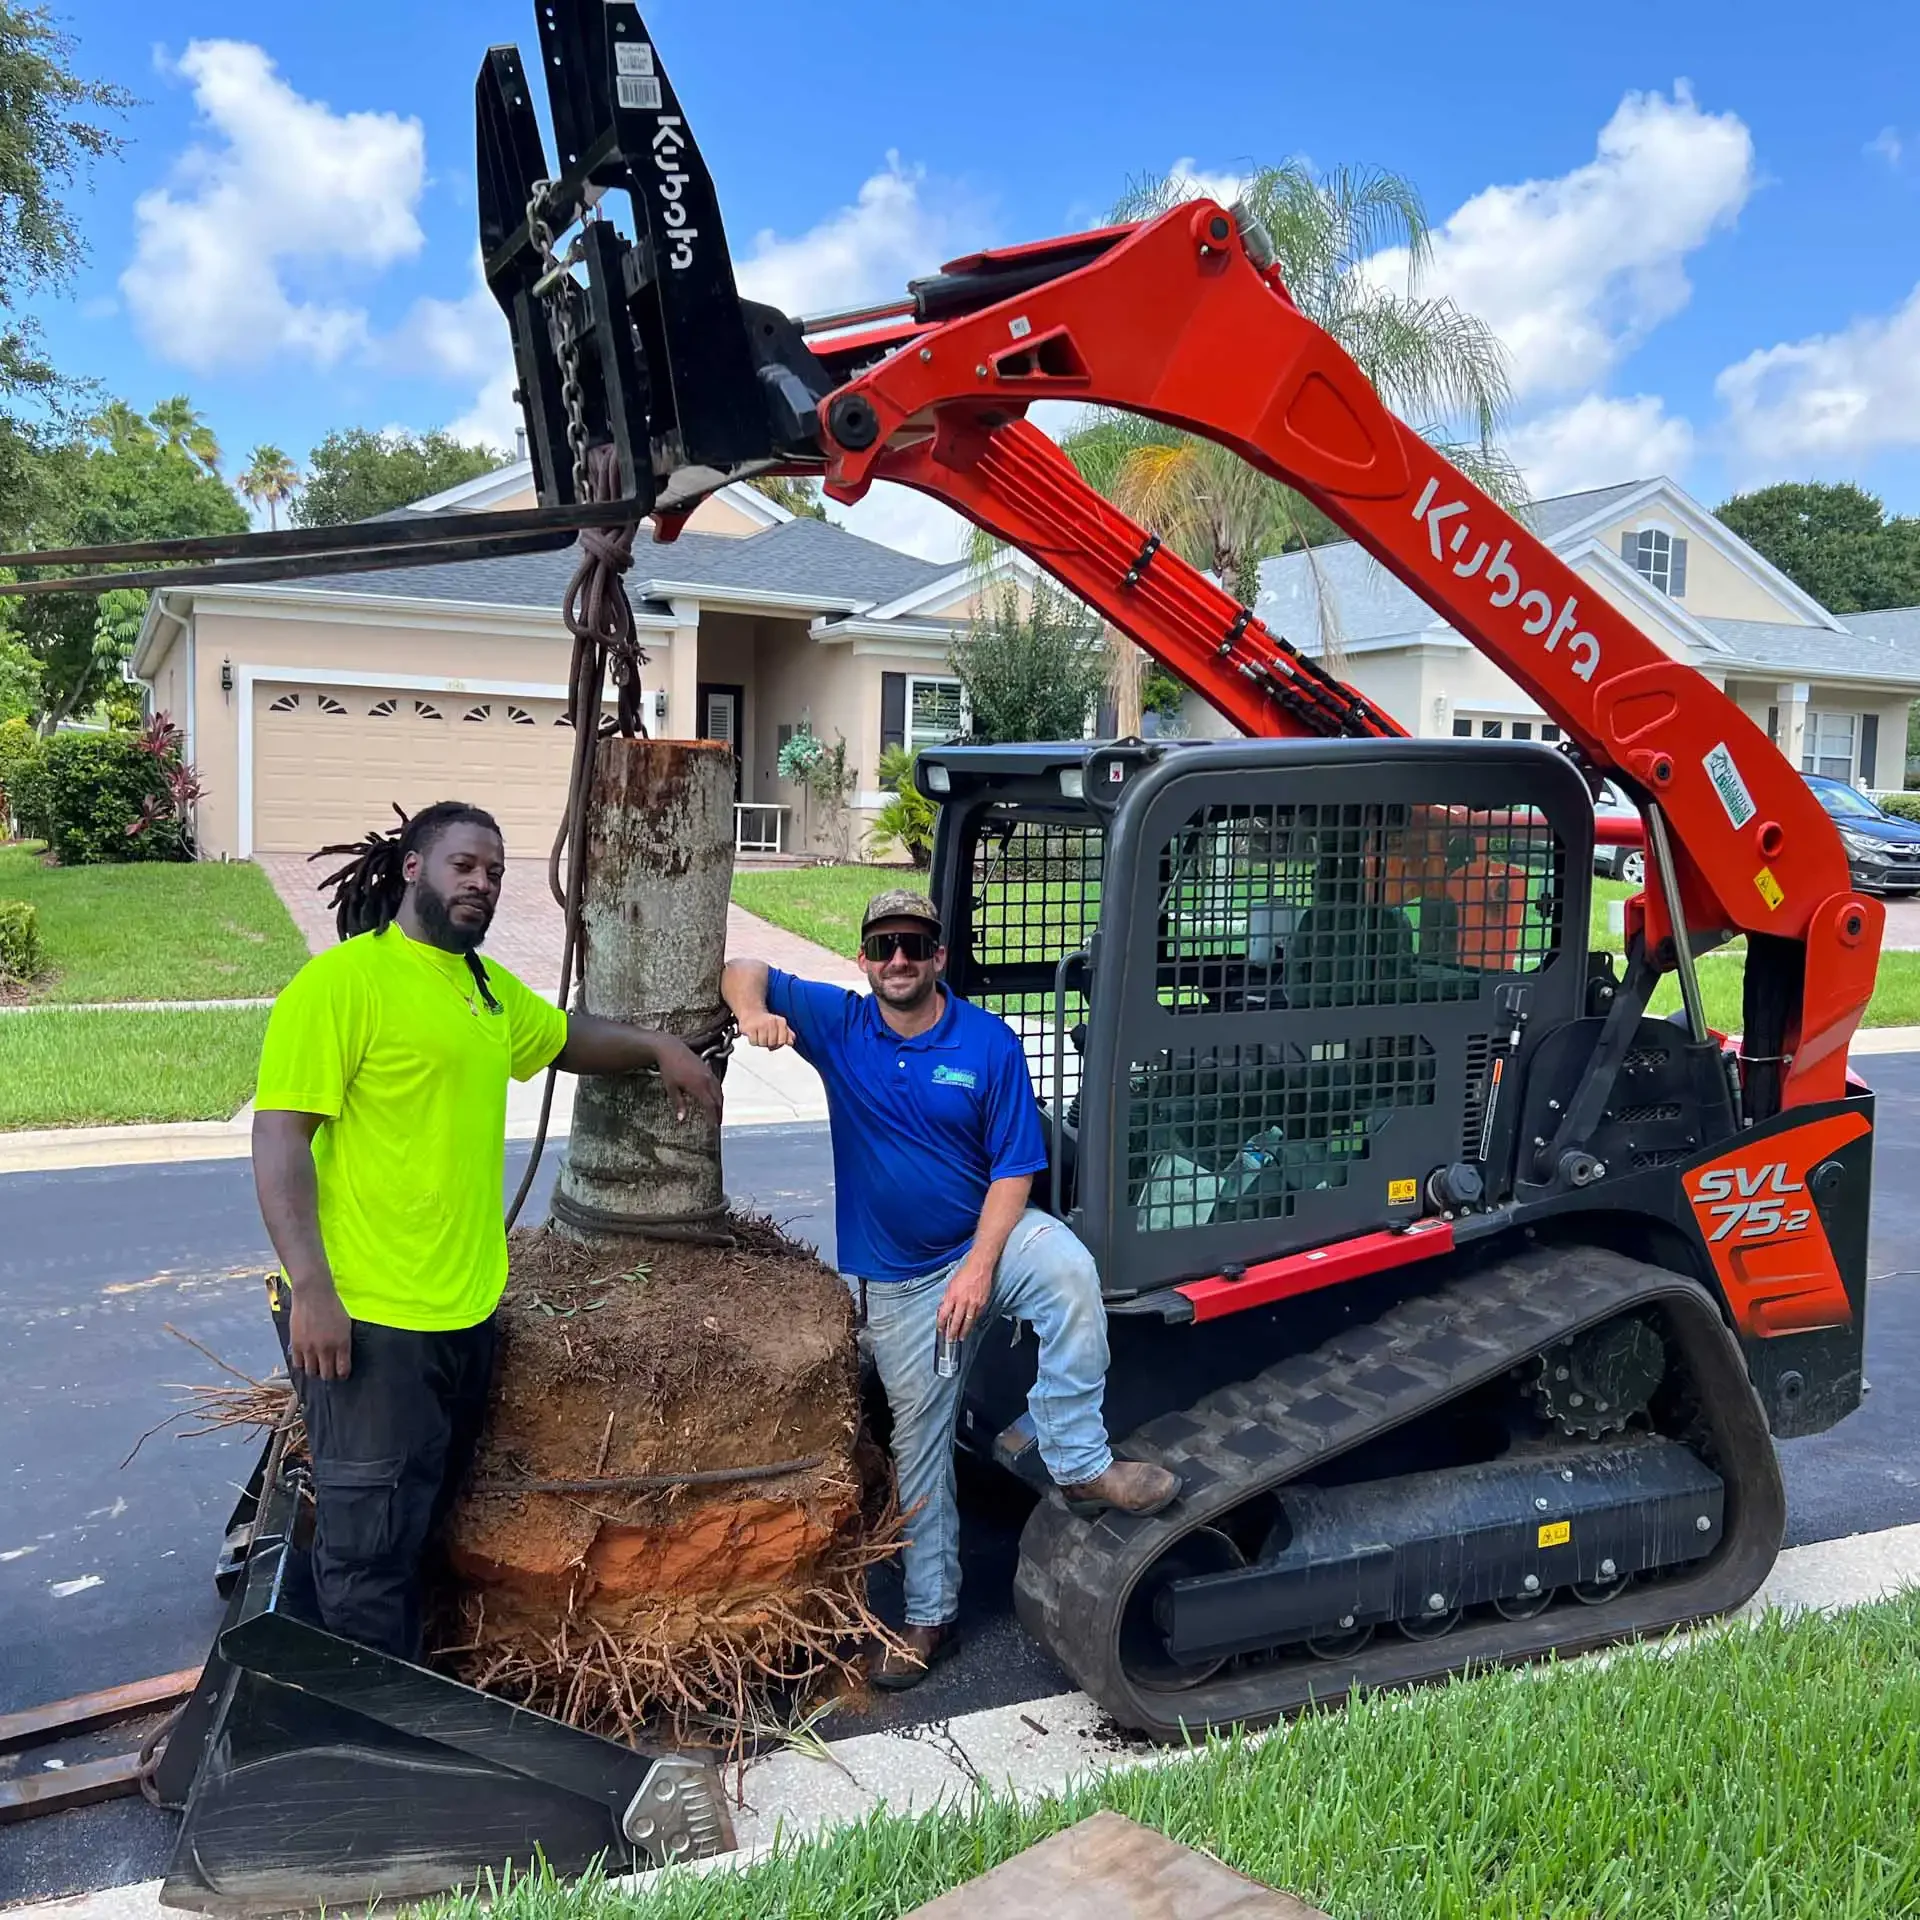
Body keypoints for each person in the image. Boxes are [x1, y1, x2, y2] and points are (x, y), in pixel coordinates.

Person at [251, 800, 722, 1661]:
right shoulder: (343, 984)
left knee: (416, 1521)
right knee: (367, 1551)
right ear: (412, 868)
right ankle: (372, 1750)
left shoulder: (482, 988)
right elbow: (280, 1136)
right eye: (465, 865)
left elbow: (565, 1036)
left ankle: (407, 1707)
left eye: (496, 872)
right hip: (369, 1317)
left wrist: (658, 1048)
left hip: (461, 1314)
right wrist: (314, 1292)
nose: (482, 884)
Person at [722, 887, 1179, 1688]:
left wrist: (977, 1266)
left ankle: (1077, 1459)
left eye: (915, 945)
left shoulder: (988, 1044)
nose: (899, 959)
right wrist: (755, 1011)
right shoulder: (839, 1024)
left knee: (1068, 1270)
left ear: (938, 957)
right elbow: (741, 966)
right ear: (865, 959)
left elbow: (1016, 1167)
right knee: (920, 1450)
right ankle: (931, 1615)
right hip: (900, 1285)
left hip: (989, 1246)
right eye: (884, 945)